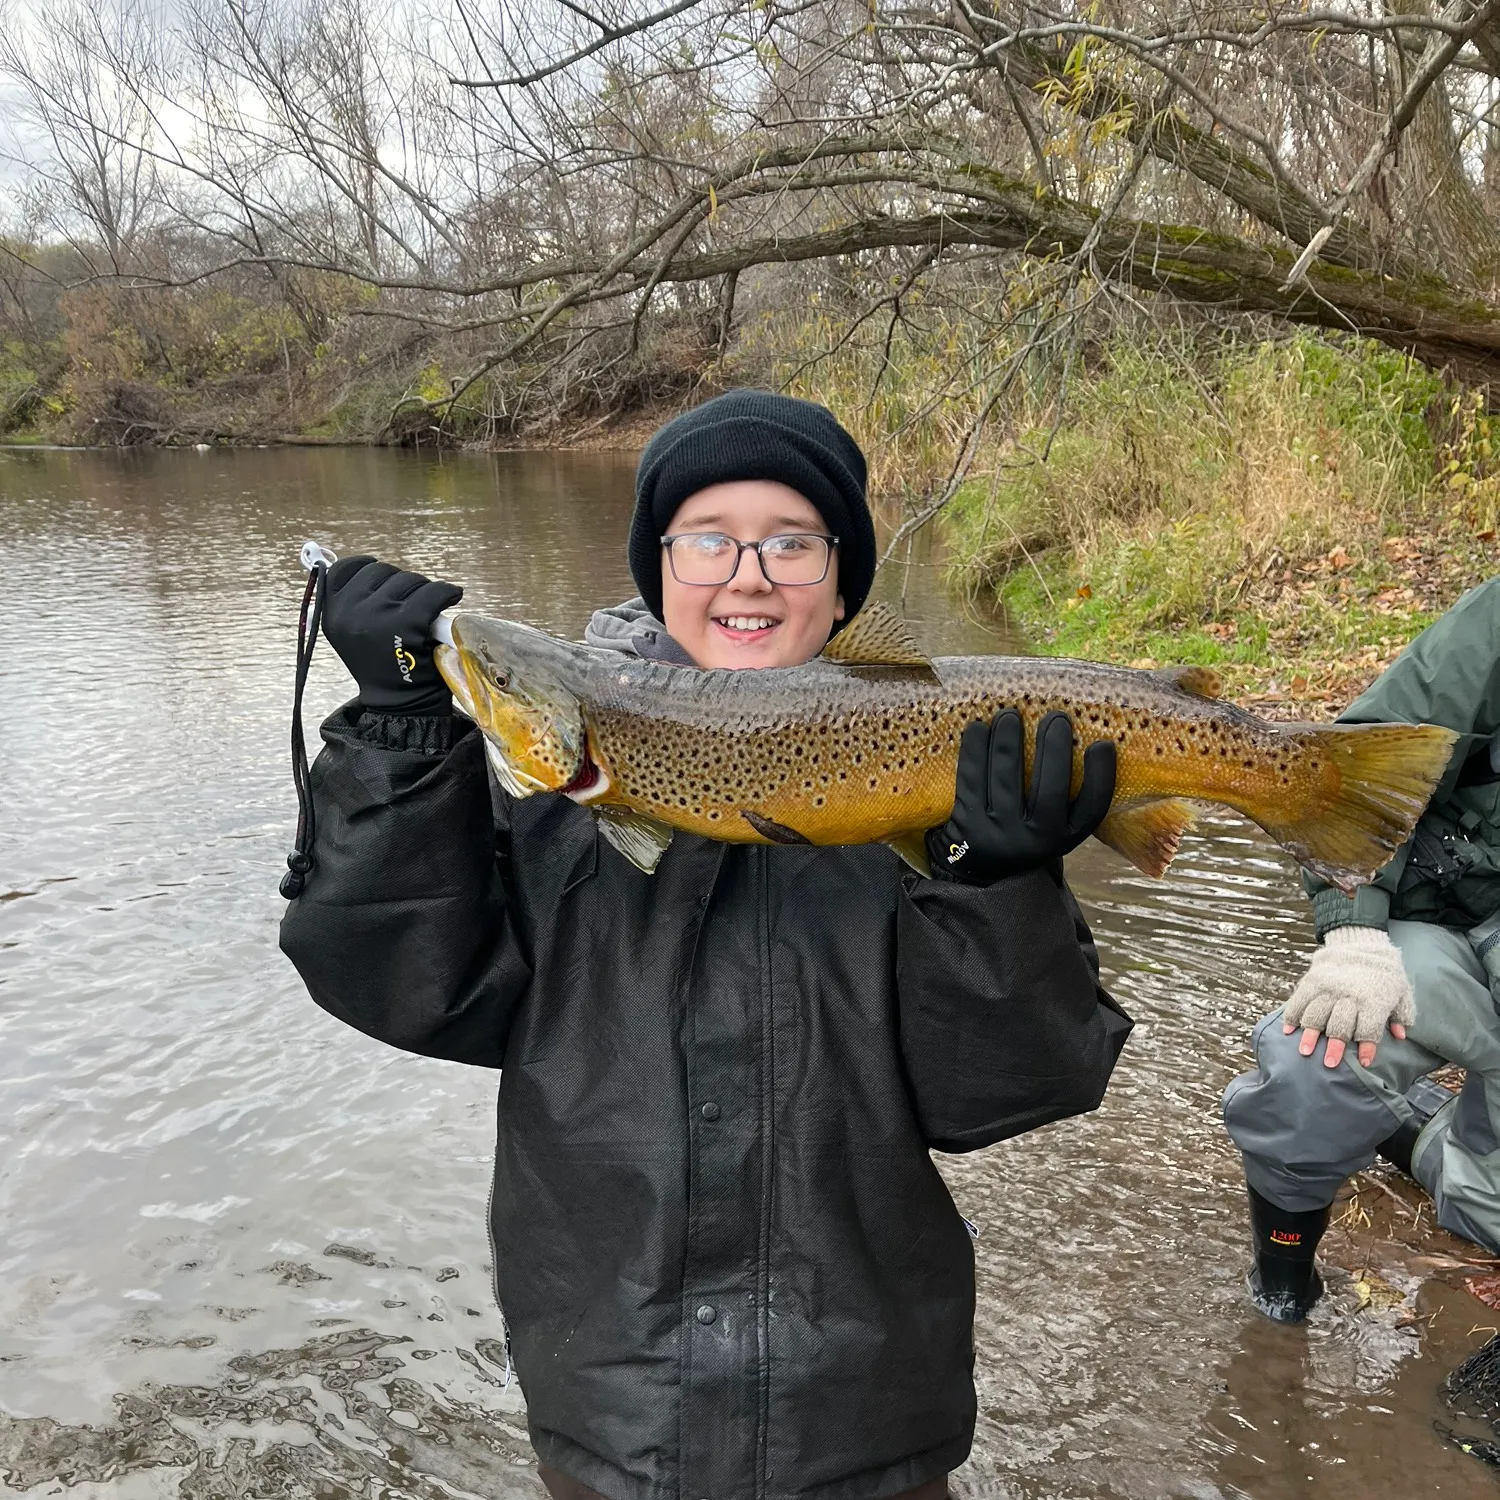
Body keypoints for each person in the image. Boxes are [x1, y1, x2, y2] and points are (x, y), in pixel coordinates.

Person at [280, 390, 1132, 1500]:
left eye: (791, 542)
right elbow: (404, 986)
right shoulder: (554, 807)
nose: (749, 573)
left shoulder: (932, 808)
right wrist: (399, 733)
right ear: (658, 566)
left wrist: (993, 882)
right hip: (614, 1414)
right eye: (708, 540)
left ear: (842, 578)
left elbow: (1010, 1090)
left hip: (868, 1423)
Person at [1224, 577, 1500, 1323]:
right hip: (1440, 924)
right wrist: (1352, 933)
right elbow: (1344, 773)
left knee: (1486, 1214)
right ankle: (1280, 1291)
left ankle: (1420, 1132)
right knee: (1317, 1064)